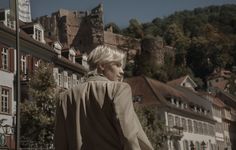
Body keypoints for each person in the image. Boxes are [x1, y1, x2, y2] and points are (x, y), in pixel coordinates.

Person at [55, 45, 153, 150]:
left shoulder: (64, 97)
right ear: (102, 65)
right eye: (117, 65)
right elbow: (128, 135)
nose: (122, 71)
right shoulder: (119, 89)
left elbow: (60, 143)